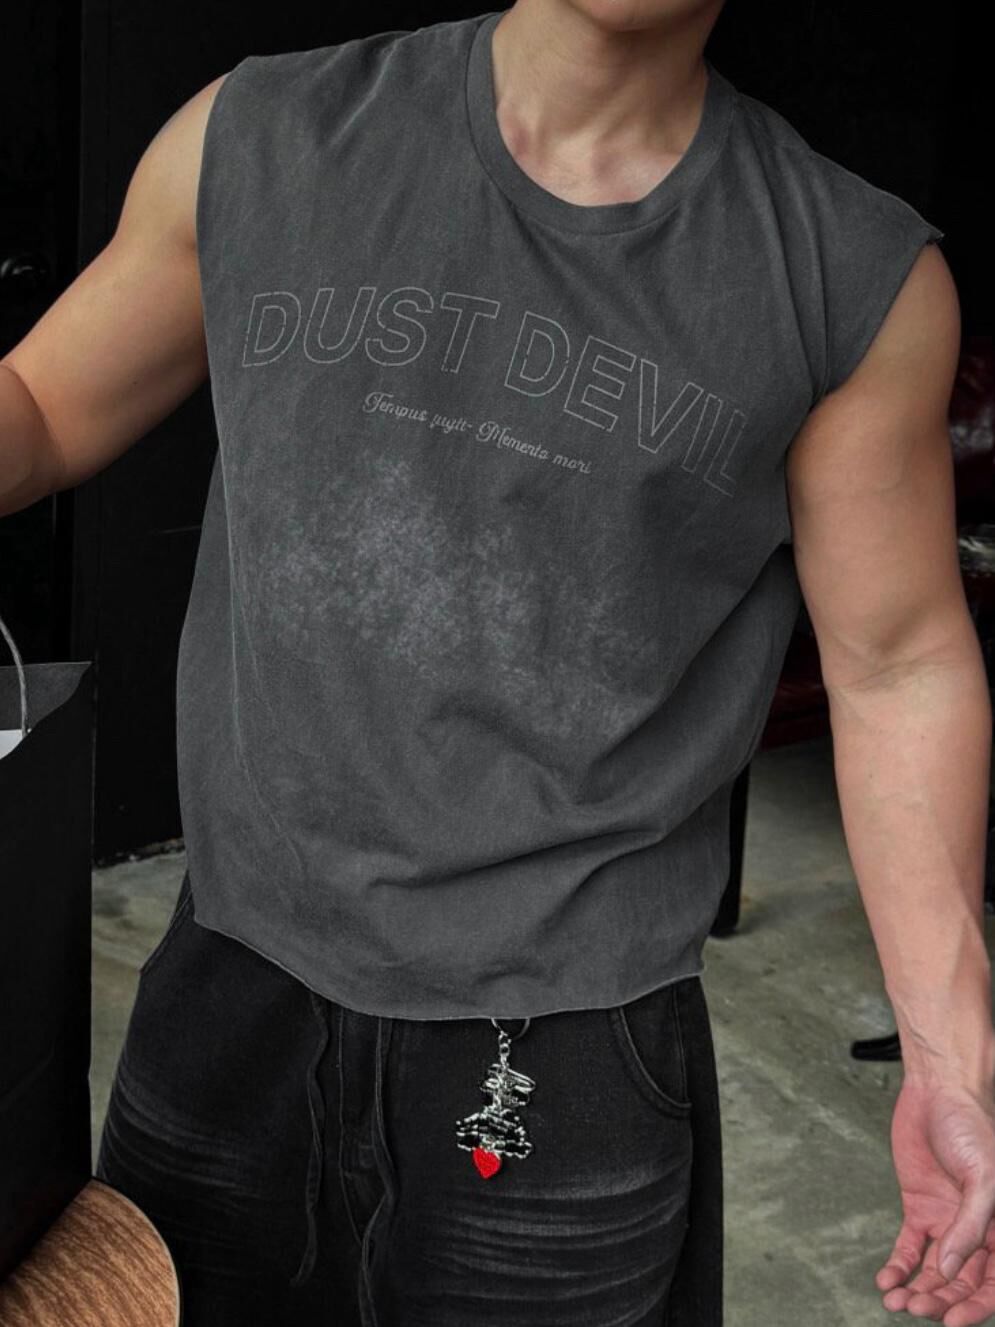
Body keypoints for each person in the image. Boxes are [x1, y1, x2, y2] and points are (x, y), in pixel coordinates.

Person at [1, 1, 992, 1324]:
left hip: (567, 1056)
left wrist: (952, 1056)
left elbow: (897, 663)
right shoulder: (260, 134)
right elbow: (41, 408)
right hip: (230, 983)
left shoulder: (844, 273)